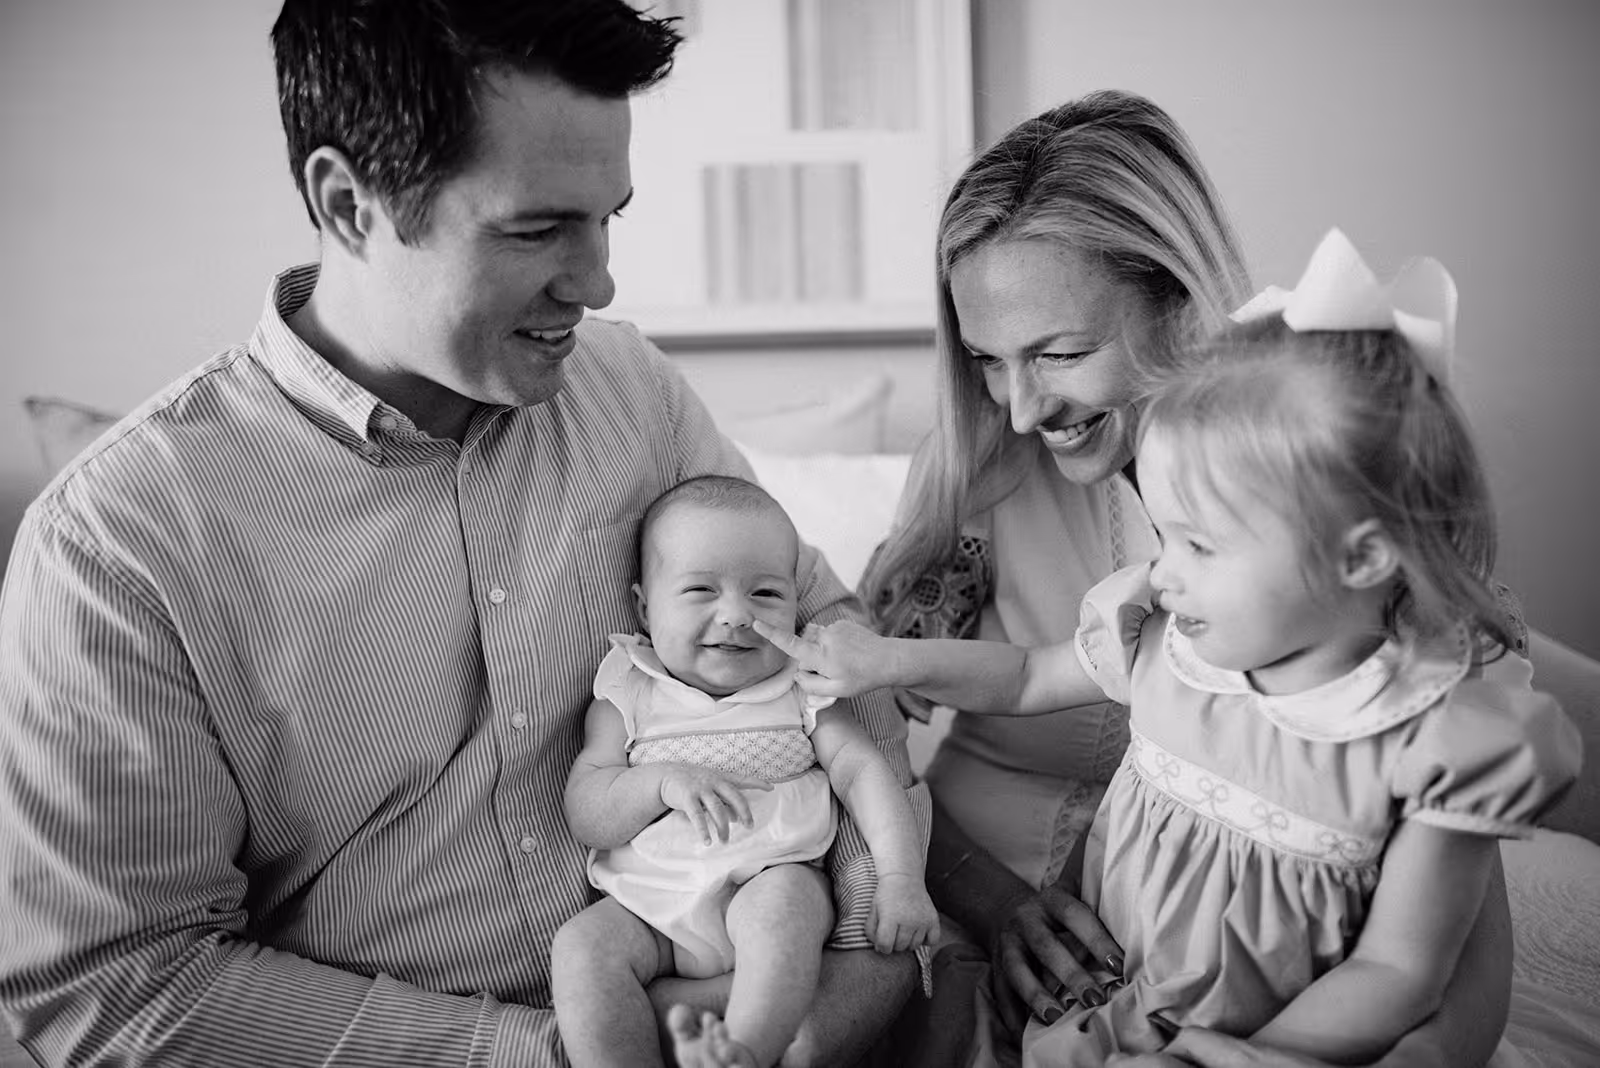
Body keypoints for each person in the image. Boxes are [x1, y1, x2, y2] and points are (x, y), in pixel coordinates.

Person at [0, 3, 925, 1065]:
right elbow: (118, 984)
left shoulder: (635, 393)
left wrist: (862, 949)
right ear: (350, 205)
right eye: (536, 229)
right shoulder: (118, 545)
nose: (598, 280)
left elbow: (826, 642)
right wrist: (549, 1053)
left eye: (607, 216)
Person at [765, 228, 1582, 1066]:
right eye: (986, 358)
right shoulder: (1154, 627)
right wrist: (881, 658)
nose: (1018, 407)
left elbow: (1412, 974)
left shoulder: (1436, 717)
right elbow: (1018, 678)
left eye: (1061, 353)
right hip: (1110, 1006)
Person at [554, 476, 938, 1068]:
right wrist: (659, 782)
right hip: (649, 906)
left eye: (764, 594)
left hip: (771, 877)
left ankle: (744, 1054)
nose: (735, 615)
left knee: (780, 914)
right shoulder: (627, 689)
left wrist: (900, 878)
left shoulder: (801, 685)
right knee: (581, 948)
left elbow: (863, 772)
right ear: (643, 608)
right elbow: (588, 809)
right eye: (701, 589)